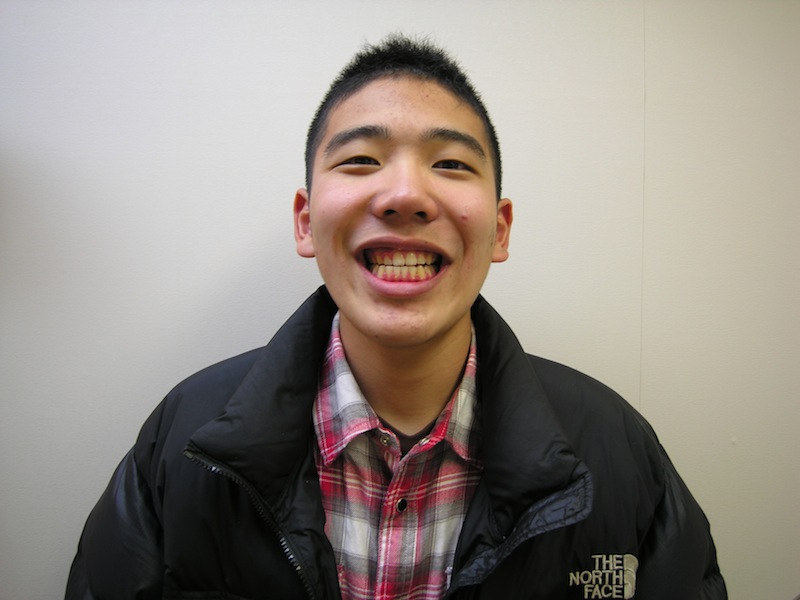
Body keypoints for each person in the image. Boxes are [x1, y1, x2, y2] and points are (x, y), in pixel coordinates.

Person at [66, 35, 726, 599]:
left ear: (500, 230)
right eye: (360, 160)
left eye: (450, 164)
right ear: (305, 221)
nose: (406, 194)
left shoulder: (617, 451)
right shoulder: (182, 441)